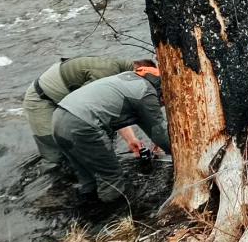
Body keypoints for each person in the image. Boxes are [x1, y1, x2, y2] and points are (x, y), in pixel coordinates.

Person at [51, 64, 171, 202]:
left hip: (59, 117)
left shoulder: (129, 79)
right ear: (163, 94)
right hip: (82, 125)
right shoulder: (147, 94)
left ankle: (88, 215)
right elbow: (162, 138)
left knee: (88, 178)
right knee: (112, 178)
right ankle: (115, 217)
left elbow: (113, 109)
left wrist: (131, 139)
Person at [23, 57, 154, 164]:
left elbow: (112, 110)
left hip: (63, 97)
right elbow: (84, 106)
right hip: (41, 99)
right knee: (56, 157)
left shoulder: (119, 73)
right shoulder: (107, 72)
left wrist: (131, 140)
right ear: (139, 71)